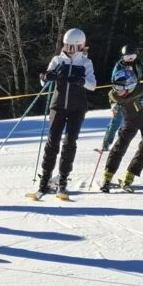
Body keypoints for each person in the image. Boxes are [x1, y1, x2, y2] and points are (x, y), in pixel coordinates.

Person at [35, 28, 96, 197]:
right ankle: (45, 178)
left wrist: (81, 81)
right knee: (52, 142)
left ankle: (62, 179)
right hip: (58, 106)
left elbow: (92, 85)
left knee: (69, 143)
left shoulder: (85, 62)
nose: (70, 50)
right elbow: (44, 81)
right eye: (67, 46)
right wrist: (47, 77)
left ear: (81, 46)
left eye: (74, 47)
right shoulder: (57, 60)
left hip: (77, 108)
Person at [99, 67, 143, 193]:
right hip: (130, 122)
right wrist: (113, 106)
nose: (117, 90)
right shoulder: (114, 94)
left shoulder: (142, 88)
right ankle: (107, 176)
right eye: (115, 86)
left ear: (129, 85)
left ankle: (129, 176)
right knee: (120, 146)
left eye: (119, 87)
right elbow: (112, 99)